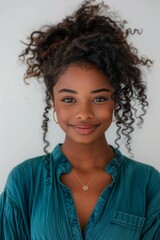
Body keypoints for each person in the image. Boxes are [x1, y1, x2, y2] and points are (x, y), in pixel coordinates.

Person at [0, 0, 160, 239]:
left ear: (116, 101)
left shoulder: (147, 183)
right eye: (69, 100)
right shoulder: (25, 180)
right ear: (53, 101)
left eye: (98, 99)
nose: (84, 113)